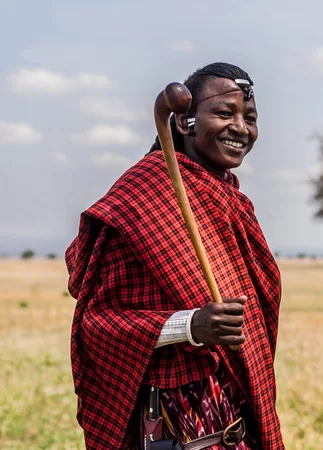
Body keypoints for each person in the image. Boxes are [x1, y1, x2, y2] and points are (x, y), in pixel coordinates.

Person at [65, 62, 284, 449]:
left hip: (237, 415)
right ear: (184, 122)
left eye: (250, 118)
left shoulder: (232, 201)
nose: (241, 128)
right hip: (173, 421)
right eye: (223, 113)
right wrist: (190, 325)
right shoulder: (142, 198)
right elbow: (97, 324)